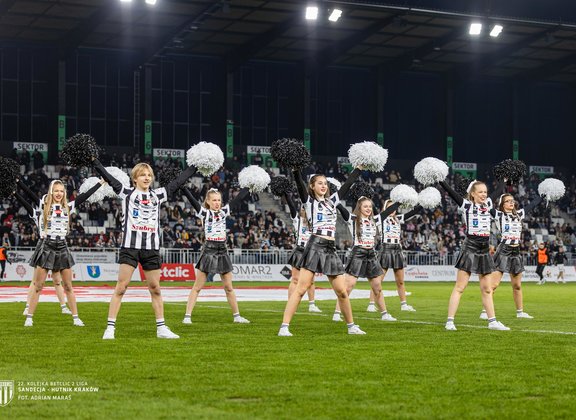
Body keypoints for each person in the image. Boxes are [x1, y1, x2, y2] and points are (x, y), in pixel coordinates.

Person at [94, 160, 197, 339]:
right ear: (135, 178)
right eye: (142, 175)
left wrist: (195, 166)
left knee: (155, 288)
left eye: (149, 175)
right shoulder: (126, 193)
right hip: (130, 247)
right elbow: (108, 177)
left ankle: (161, 328)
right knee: (121, 287)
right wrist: (93, 161)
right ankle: (110, 328)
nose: (147, 178)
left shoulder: (158, 195)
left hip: (151, 248)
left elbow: (178, 182)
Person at [278, 167, 364, 336]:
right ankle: (284, 327)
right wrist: (295, 171)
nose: (324, 186)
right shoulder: (309, 202)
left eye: (325, 183)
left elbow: (347, 184)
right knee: (301, 289)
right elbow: (299, 185)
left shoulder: (333, 201)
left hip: (330, 248)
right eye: (319, 183)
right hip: (315, 245)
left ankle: (351, 326)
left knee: (342, 292)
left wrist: (358, 169)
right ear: (312, 186)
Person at [24, 179, 104, 327]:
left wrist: (100, 183)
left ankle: (76, 318)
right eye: (56, 191)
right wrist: (17, 183)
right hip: (47, 245)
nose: (59, 193)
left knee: (68, 286)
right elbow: (29, 194)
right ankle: (29, 317)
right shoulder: (44, 205)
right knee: (38, 285)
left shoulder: (68, 206)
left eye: (61, 191)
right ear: (51, 192)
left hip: (62, 246)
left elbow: (85, 196)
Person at [438, 179, 509, 331]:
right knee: (460, 287)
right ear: (473, 194)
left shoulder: (488, 203)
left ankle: (492, 322)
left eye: (485, 192)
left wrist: (504, 180)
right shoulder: (466, 205)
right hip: (470, 247)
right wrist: (441, 180)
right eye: (480, 192)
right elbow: (451, 192)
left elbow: (498, 192)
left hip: (484, 249)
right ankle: (450, 321)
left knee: (487, 289)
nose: (484, 194)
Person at [181, 186, 251, 324]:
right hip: (209, 249)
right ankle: (187, 317)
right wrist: (182, 187)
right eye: (214, 200)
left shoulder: (224, 211)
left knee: (229, 287)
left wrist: (249, 186)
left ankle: (237, 317)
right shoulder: (204, 213)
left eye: (219, 200)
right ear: (208, 201)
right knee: (197, 287)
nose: (217, 203)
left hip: (222, 249)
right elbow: (192, 199)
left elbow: (238, 198)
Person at [333, 197, 407, 322]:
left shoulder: (375, 219)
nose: (368, 209)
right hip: (358, 253)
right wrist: (336, 200)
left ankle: (384, 314)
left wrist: (400, 200)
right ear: (359, 208)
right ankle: (337, 313)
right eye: (365, 206)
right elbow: (340, 207)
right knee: (348, 286)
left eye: (370, 206)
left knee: (377, 287)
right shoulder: (353, 219)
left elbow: (389, 211)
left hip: (371, 254)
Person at [481, 193, 542, 320]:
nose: (511, 202)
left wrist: (543, 195)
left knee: (517, 285)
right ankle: (484, 311)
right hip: (504, 250)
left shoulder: (519, 214)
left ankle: (520, 313)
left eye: (512, 200)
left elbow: (532, 204)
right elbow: (487, 204)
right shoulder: (499, 215)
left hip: (516, 251)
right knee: (494, 285)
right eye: (508, 201)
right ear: (502, 204)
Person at [14, 181, 71, 316]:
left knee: (57, 280)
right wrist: (16, 190)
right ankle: (28, 306)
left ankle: (64, 307)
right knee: (35, 281)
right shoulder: (38, 213)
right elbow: (28, 200)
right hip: (43, 244)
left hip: (55, 243)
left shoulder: (57, 211)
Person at [367, 199, 422, 313]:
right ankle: (371, 304)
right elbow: (376, 208)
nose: (393, 210)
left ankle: (404, 305)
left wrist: (423, 204)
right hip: (385, 249)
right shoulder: (381, 218)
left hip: (397, 249)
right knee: (378, 281)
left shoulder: (398, 218)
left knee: (400, 281)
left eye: (394, 208)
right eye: (390, 207)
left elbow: (413, 212)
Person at [282, 189, 321, 313]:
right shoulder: (297, 221)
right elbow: (292, 208)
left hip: (311, 251)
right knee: (295, 279)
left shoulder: (315, 223)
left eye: (307, 210)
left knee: (311, 281)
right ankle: (291, 303)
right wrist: (287, 195)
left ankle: (312, 304)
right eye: (303, 209)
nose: (305, 211)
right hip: (299, 251)